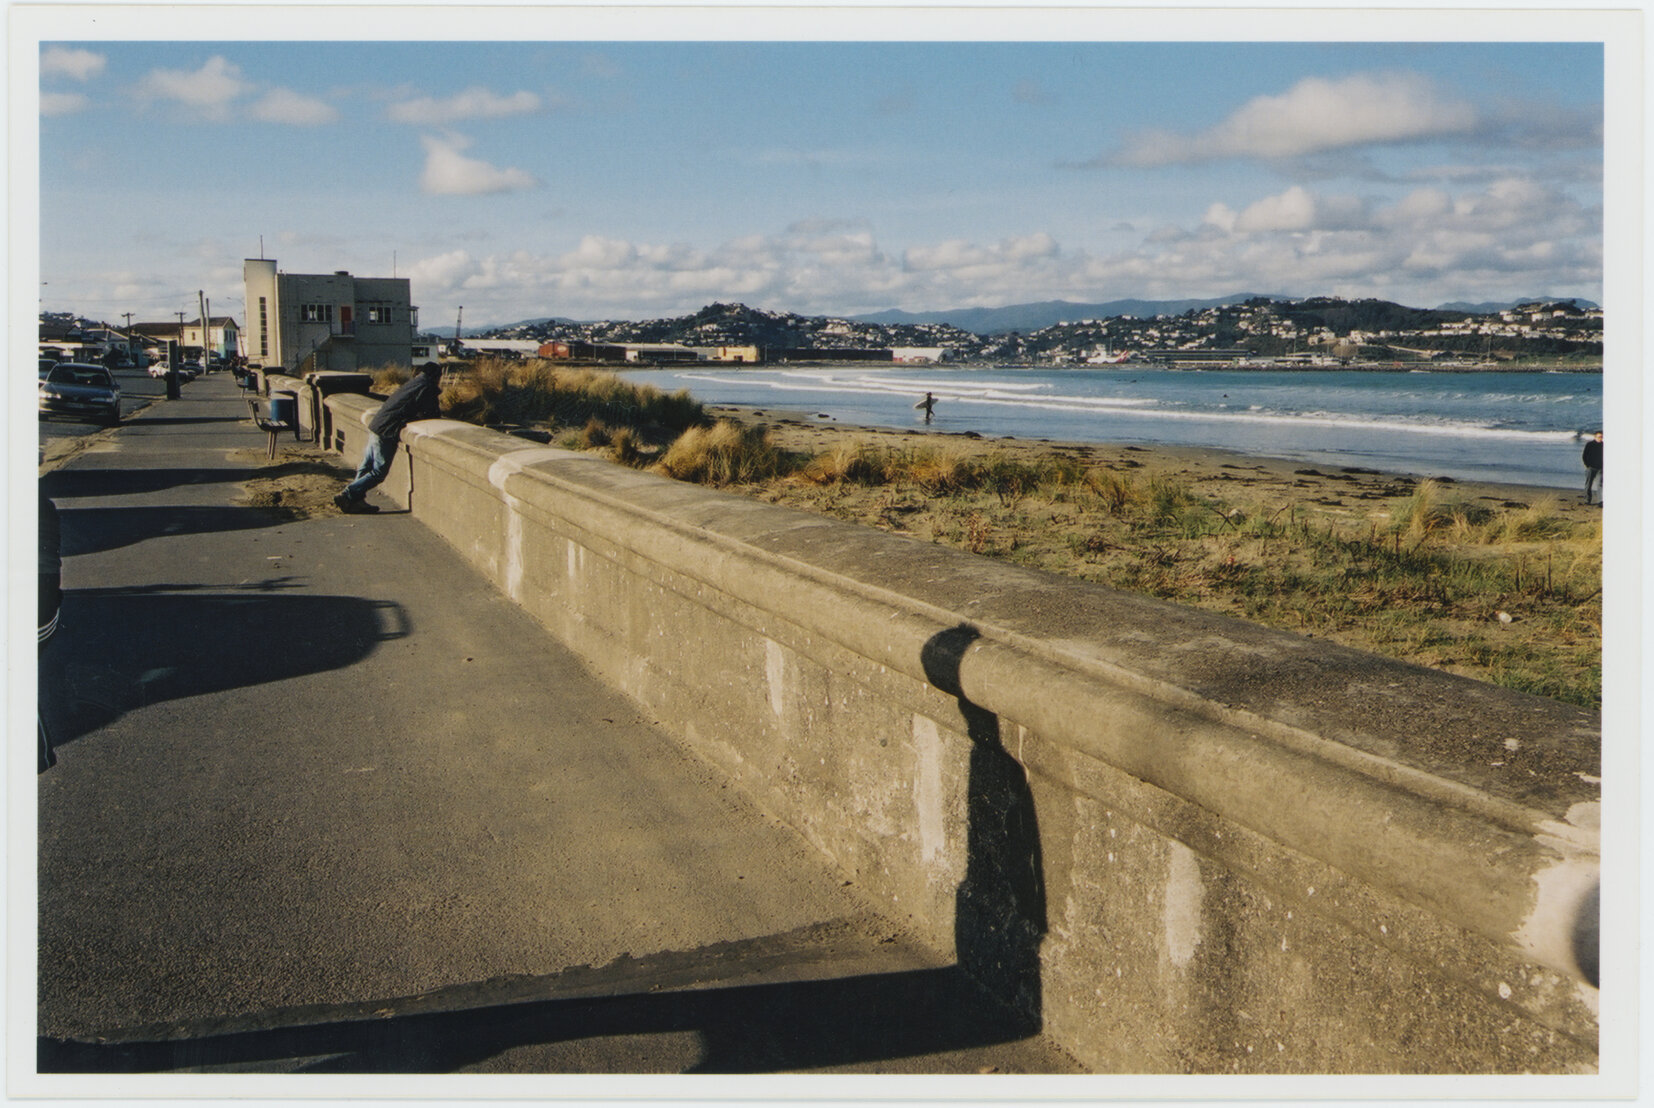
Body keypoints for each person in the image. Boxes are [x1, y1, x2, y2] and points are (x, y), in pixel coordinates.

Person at [335, 363, 444, 514]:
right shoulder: (427, 387)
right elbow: (433, 414)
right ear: (436, 376)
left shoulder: (413, 383)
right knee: (379, 472)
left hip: (376, 424)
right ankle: (348, 494)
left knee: (366, 467)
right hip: (387, 430)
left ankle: (355, 501)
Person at [1582, 430, 1603, 505]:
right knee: (1588, 484)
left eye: (1601, 437)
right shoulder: (1590, 444)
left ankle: (1600, 501)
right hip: (1591, 467)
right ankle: (1587, 500)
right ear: (1595, 437)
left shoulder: (1604, 445)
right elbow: (1584, 456)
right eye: (1599, 437)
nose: (1600, 438)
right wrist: (1587, 465)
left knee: (1600, 484)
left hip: (1600, 468)